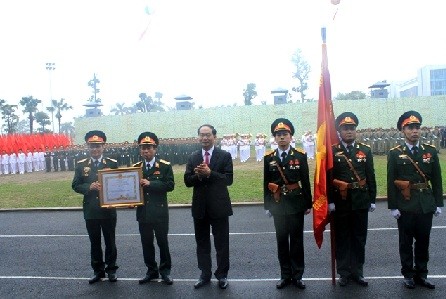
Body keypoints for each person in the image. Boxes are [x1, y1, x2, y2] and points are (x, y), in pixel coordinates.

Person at [387, 111, 443, 289]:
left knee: (423, 241)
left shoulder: (430, 151)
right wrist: (393, 206)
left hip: (425, 204)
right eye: (410, 128)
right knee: (405, 242)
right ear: (403, 130)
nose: (415, 131)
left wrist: (438, 203)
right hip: (405, 204)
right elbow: (391, 180)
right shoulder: (395, 153)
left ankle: (422, 274)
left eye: (417, 127)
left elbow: (437, 179)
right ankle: (408, 274)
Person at [329, 112, 377, 287]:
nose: (349, 132)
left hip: (360, 200)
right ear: (339, 131)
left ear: (356, 130)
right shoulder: (333, 150)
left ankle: (358, 272)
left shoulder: (365, 150)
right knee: (342, 238)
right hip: (340, 201)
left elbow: (370, 176)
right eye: (345, 129)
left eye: (352, 128)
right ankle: (343, 272)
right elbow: (329, 177)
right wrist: (330, 201)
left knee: (359, 238)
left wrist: (372, 199)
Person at [264, 118, 312, 290]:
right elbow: (266, 182)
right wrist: (268, 205)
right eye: (278, 135)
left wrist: (308, 203)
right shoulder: (269, 158)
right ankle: (285, 275)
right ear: (274, 138)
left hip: (296, 203)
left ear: (291, 136)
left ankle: (298, 275)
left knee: (297, 241)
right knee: (282, 241)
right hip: (278, 204)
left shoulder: (300, 156)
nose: (282, 137)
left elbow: (305, 181)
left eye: (285, 134)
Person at [184, 124, 233, 290]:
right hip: (200, 207)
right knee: (202, 243)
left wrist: (210, 173)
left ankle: (222, 275)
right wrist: (198, 175)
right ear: (198, 137)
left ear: (214, 137)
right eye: (202, 135)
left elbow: (228, 180)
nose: (205, 138)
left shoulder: (224, 155)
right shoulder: (193, 156)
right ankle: (204, 274)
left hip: (219, 207)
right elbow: (187, 181)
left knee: (221, 243)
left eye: (208, 135)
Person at [72, 130, 119, 284]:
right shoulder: (81, 165)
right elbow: (75, 185)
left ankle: (111, 270)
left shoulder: (112, 163)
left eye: (98, 146)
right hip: (91, 210)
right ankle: (98, 271)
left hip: (108, 210)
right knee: (95, 242)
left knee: (110, 242)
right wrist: (89, 187)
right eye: (92, 146)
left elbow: (119, 183)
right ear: (88, 146)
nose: (95, 149)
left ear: (103, 146)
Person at [133, 132, 175, 285]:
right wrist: (130, 200)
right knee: (146, 243)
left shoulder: (164, 166)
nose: (146, 151)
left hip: (159, 212)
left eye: (149, 148)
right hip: (143, 212)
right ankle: (151, 271)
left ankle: (165, 271)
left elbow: (170, 185)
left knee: (162, 242)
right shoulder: (135, 168)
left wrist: (151, 184)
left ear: (155, 149)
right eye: (143, 148)